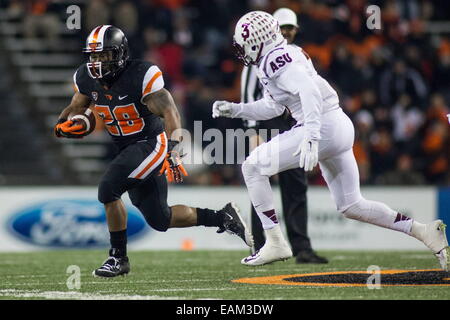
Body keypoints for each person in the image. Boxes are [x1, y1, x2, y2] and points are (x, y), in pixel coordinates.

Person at [212, 11, 449, 269]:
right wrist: (237, 110)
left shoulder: (274, 60)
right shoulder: (285, 54)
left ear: (257, 40)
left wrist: (311, 137)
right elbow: (274, 107)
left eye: (244, 44)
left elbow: (309, 91)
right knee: (352, 205)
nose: (242, 50)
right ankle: (423, 231)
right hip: (337, 124)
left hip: (321, 126)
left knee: (252, 166)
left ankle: (275, 241)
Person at [54, 25, 253, 277]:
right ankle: (222, 217)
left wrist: (173, 147)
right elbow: (79, 110)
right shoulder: (85, 78)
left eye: (104, 55)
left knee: (108, 188)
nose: (98, 62)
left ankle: (118, 258)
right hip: (127, 148)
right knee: (160, 219)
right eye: (93, 56)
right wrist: (67, 124)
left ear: (120, 54)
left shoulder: (141, 75)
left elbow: (169, 110)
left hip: (152, 143)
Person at [240, 8, 327, 264]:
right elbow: (248, 96)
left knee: (296, 186)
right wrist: (252, 132)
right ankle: (263, 245)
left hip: (294, 126)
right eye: (283, 27)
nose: (287, 32)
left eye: (291, 28)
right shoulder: (256, 58)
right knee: (261, 182)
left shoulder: (295, 55)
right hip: (267, 126)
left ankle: (301, 247)